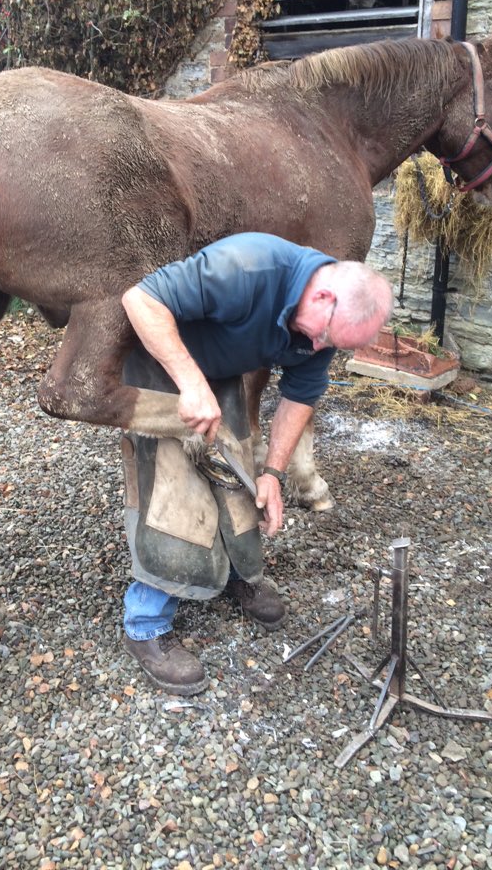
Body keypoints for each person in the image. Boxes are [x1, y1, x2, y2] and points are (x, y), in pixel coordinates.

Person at [119, 232, 393, 695]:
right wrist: (189, 383)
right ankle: (145, 625)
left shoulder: (322, 331)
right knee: (172, 495)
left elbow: (301, 394)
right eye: (324, 335)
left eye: (334, 345)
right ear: (324, 296)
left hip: (220, 373)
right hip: (159, 363)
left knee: (240, 487)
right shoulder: (248, 267)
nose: (322, 346)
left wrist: (274, 474)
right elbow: (140, 300)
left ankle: (234, 577)